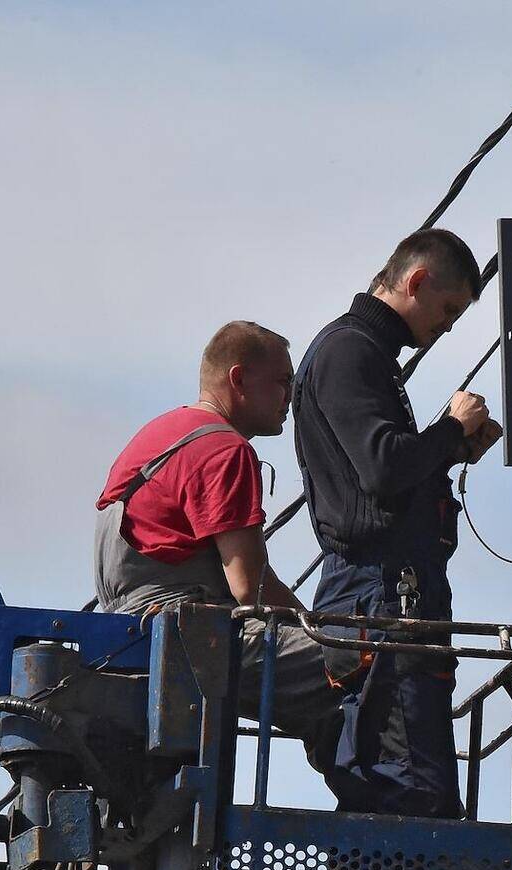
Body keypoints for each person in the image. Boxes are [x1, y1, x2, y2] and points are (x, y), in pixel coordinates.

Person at [293, 228, 502, 819]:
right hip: (380, 598)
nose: (448, 325)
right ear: (415, 282)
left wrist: (449, 452)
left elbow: (380, 474)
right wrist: (450, 431)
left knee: (397, 788)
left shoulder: (368, 356)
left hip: (388, 596)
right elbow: (383, 470)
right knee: (411, 792)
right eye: (448, 309)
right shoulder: (350, 351)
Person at [94, 320, 343, 778]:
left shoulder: (160, 434)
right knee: (363, 661)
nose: (289, 395)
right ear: (239, 378)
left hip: (127, 637)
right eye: (282, 382)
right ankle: (375, 801)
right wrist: (324, 632)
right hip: (189, 635)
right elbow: (249, 587)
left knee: (328, 687)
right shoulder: (224, 450)